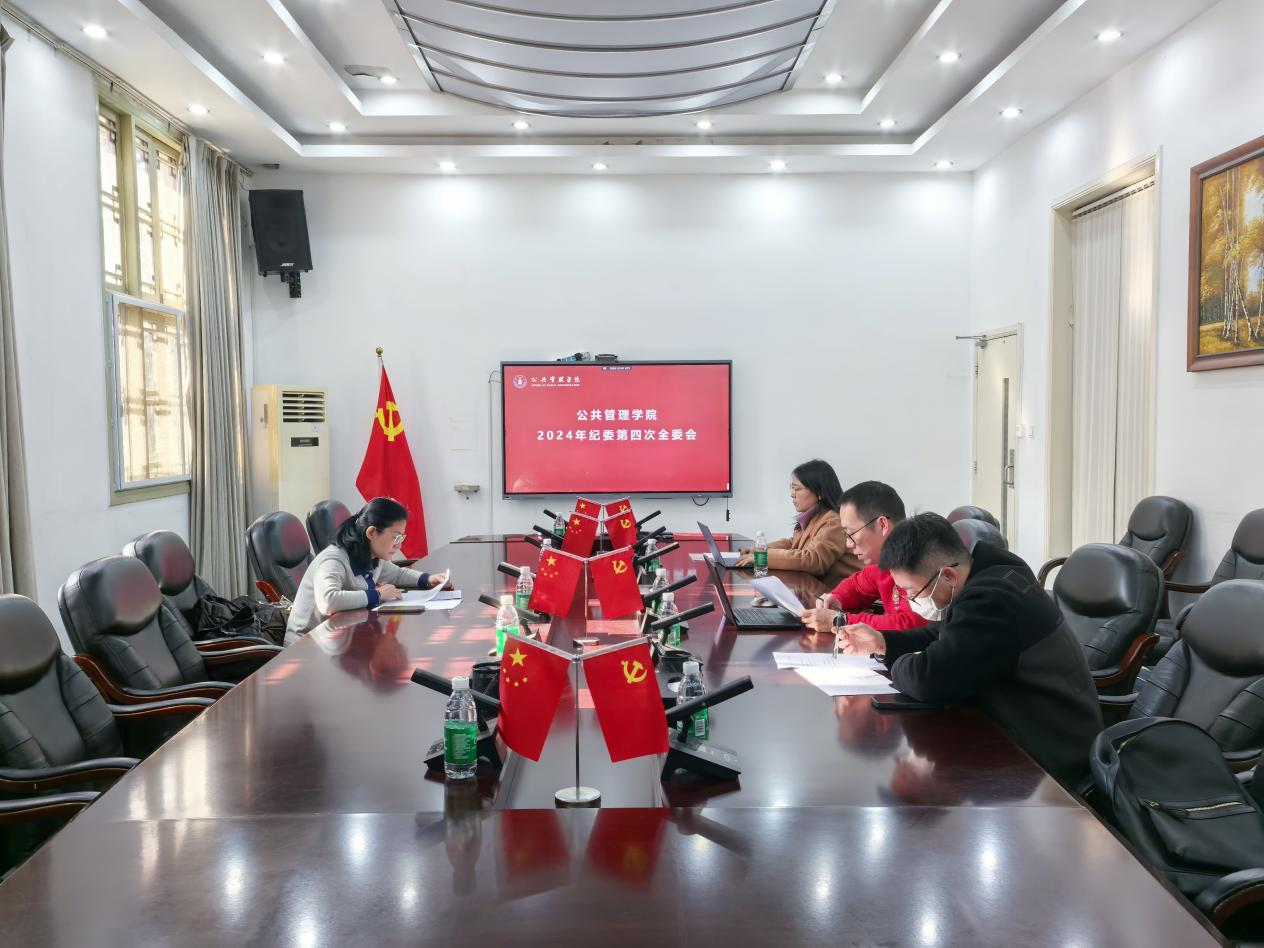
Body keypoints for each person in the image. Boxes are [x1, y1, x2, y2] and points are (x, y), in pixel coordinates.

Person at [835, 513, 1102, 788]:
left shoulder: (992, 601)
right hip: (1019, 728)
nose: (910, 600)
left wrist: (901, 663)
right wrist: (883, 642)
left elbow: (930, 679)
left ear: (948, 576)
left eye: (911, 591)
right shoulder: (987, 574)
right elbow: (941, 634)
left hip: (1047, 755)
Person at [285, 497, 446, 643]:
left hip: (338, 638)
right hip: (305, 645)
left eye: (402, 537)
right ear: (372, 532)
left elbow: (397, 574)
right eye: (396, 537)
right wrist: (378, 595)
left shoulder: (373, 554)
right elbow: (328, 602)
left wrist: (428, 579)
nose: (399, 545)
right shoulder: (334, 559)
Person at [799, 480, 926, 635]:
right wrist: (836, 598)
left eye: (851, 534)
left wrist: (840, 620)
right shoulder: (884, 563)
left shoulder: (920, 561)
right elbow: (857, 586)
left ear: (882, 525)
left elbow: (911, 625)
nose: (848, 544)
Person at [736, 459, 859, 586]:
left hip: (842, 594)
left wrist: (761, 557)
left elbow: (813, 560)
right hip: (820, 591)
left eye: (798, 489)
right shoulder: (815, 517)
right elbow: (793, 544)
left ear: (820, 493)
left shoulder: (834, 521)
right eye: (792, 488)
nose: (792, 494)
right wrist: (756, 551)